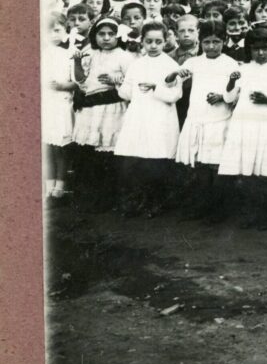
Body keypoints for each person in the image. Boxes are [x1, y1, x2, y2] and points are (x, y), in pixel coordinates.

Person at [219, 27, 267, 231]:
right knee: (246, 172)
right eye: (255, 49)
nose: (260, 53)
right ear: (249, 50)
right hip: (244, 123)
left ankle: (265, 213)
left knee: (265, 172)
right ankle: (250, 212)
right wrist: (231, 81)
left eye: (265, 48)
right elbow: (228, 98)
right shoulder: (241, 70)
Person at [168, 19, 237, 223]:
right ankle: (202, 206)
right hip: (197, 116)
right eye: (207, 42)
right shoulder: (193, 62)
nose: (211, 46)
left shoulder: (230, 63)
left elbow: (235, 92)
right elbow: (171, 82)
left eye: (216, 42)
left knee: (217, 164)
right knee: (200, 166)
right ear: (200, 41)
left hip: (219, 118)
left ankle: (218, 209)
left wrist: (222, 97)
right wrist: (175, 73)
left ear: (224, 41)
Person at [113, 21, 183, 218]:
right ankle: (136, 201)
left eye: (158, 42)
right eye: (149, 41)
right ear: (142, 41)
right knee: (135, 160)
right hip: (139, 116)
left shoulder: (171, 65)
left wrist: (156, 88)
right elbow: (127, 93)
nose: (153, 46)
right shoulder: (136, 64)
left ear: (165, 41)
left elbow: (175, 95)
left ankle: (154, 203)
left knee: (155, 161)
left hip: (160, 118)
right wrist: (120, 84)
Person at [71, 17, 132, 213]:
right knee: (89, 152)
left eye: (111, 34)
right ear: (94, 36)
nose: (106, 38)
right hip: (91, 108)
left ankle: (108, 198)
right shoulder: (90, 53)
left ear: (118, 36)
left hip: (112, 107)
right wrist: (78, 62)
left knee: (107, 152)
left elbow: (131, 81)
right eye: (101, 34)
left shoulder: (124, 56)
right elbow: (81, 80)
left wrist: (116, 79)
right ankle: (90, 197)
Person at [43, 12, 76, 205]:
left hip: (61, 103)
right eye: (48, 31)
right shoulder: (40, 53)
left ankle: (60, 187)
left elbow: (78, 82)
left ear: (65, 31)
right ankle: (48, 186)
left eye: (57, 30)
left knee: (60, 148)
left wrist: (63, 86)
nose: (53, 35)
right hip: (45, 103)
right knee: (46, 147)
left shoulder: (70, 53)